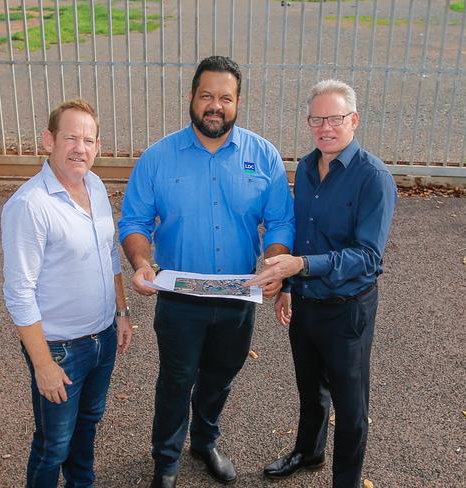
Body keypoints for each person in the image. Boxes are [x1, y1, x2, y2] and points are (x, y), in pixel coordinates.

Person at [119, 55, 295, 488]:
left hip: (238, 295)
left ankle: (205, 441)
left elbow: (280, 222)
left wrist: (274, 264)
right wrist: (142, 263)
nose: (215, 106)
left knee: (220, 376)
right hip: (179, 298)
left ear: (238, 103)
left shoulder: (264, 156)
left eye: (225, 98)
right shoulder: (158, 158)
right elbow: (134, 223)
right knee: (176, 381)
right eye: (207, 96)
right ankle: (166, 460)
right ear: (191, 98)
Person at [245, 80, 397, 488]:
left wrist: (300, 266)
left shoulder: (374, 177)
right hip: (307, 302)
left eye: (335, 118)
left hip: (348, 310)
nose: (325, 128)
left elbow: (368, 256)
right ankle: (309, 452)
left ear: (354, 120)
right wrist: (291, 286)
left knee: (351, 408)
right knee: (310, 390)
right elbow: (303, 233)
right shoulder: (308, 167)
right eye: (316, 119)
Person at [1, 99, 133, 487]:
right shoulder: (30, 206)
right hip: (59, 349)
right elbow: (19, 293)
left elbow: (109, 253)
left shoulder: (93, 184)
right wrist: (43, 365)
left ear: (98, 145)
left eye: (88, 140)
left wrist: (121, 313)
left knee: (87, 427)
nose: (81, 148)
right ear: (49, 140)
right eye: (71, 138)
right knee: (53, 445)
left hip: (103, 338)